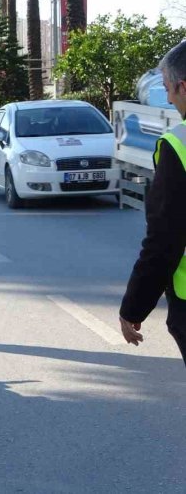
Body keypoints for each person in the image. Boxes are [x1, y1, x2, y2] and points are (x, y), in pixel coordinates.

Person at [119, 40, 186, 367]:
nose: (169, 99)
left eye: (167, 89)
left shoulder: (179, 145)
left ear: (183, 86)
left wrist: (134, 307)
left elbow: (164, 239)